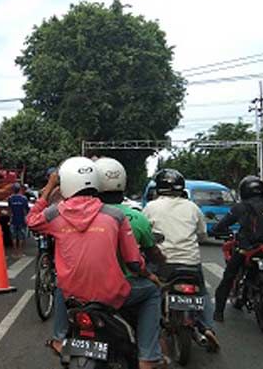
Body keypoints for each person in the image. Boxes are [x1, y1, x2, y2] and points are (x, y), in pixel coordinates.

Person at [27, 157, 164, 369]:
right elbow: (134, 262)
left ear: (66, 184)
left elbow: (31, 221)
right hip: (110, 295)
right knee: (152, 292)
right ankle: (147, 356)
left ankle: (57, 338)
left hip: (73, 295)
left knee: (62, 285)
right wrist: (150, 275)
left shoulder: (55, 214)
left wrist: (49, 187)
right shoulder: (116, 216)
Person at [143, 168, 219, 348]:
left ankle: (152, 331)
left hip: (163, 263)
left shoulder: (151, 207)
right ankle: (208, 327)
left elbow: (144, 234)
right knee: (202, 292)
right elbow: (202, 234)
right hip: (191, 263)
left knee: (151, 293)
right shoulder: (193, 207)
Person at [210, 175, 263, 323]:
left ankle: (218, 312)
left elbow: (223, 224)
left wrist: (215, 230)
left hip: (247, 248)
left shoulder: (240, 207)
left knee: (228, 277)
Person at [7, 183, 29, 257]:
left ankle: (14, 253)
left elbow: (10, 210)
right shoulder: (24, 198)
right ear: (19, 189)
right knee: (21, 237)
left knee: (14, 237)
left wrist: (10, 219)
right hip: (21, 220)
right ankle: (20, 253)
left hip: (13, 220)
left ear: (13, 190)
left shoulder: (10, 198)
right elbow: (26, 210)